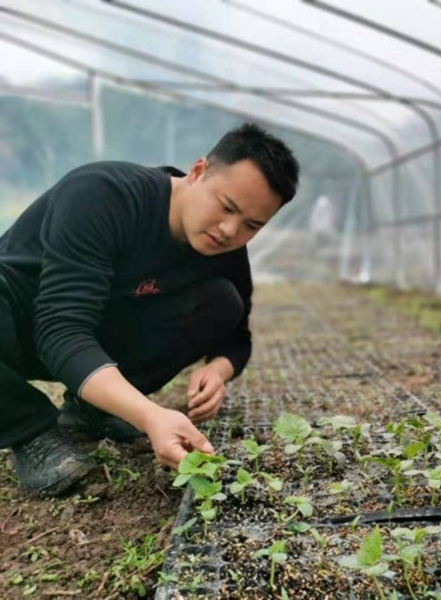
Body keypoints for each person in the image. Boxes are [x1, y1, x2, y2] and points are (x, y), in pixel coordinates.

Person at [0, 122, 300, 496]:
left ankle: (91, 411)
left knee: (222, 300)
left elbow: (237, 335)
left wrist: (218, 370)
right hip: (21, 322)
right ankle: (30, 432)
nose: (229, 231)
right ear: (198, 171)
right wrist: (149, 414)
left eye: (251, 225)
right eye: (226, 207)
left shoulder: (224, 248)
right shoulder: (104, 194)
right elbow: (60, 328)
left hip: (94, 339)